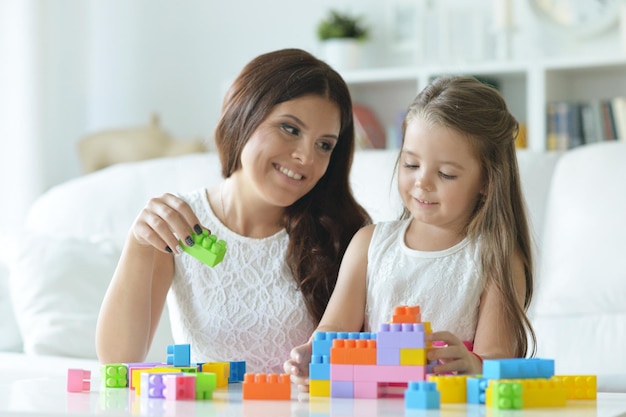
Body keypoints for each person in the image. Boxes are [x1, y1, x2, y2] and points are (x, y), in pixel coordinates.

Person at [95, 48, 371, 373]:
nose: (306, 157)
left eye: (324, 145)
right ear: (244, 115)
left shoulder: (346, 233)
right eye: (290, 129)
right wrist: (139, 245)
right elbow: (117, 360)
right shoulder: (180, 223)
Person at [285, 75, 537, 390]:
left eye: (446, 174)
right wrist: (314, 354)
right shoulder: (369, 243)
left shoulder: (494, 257)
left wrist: (473, 364)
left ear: (487, 181)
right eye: (411, 165)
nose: (422, 183)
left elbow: (499, 357)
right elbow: (335, 327)